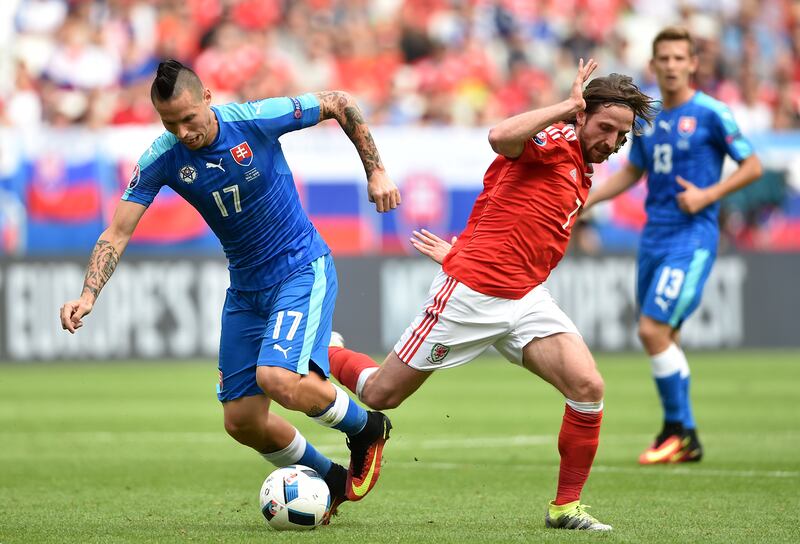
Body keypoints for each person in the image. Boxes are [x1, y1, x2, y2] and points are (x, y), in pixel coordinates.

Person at [58, 60, 399, 520]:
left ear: (207, 99)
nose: (182, 131)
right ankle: (333, 479)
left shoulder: (256, 119)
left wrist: (375, 171)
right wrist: (89, 295)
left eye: (188, 118)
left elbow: (340, 102)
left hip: (299, 268)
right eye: (169, 122)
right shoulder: (163, 155)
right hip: (245, 290)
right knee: (241, 422)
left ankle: (367, 428)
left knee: (276, 379)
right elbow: (117, 233)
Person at [327, 59, 657, 531]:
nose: (611, 142)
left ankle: (565, 508)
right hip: (471, 296)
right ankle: (326, 349)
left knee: (588, 388)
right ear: (582, 115)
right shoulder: (555, 140)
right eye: (605, 127)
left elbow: (511, 214)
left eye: (621, 136)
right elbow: (501, 137)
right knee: (382, 393)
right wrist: (565, 105)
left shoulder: (584, 167)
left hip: (525, 299)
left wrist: (466, 248)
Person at [583, 27, 762, 465]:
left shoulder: (712, 113)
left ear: (692, 64)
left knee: (651, 330)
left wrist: (707, 195)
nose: (671, 65)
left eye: (679, 58)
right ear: (654, 63)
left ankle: (682, 432)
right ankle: (678, 433)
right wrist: (584, 200)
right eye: (663, 58)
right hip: (653, 237)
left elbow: (753, 165)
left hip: (692, 237)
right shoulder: (648, 117)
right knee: (667, 336)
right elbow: (632, 172)